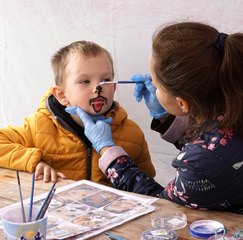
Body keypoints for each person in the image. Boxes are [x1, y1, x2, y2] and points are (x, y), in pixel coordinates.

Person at [72, 22, 243, 214]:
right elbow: (214, 145)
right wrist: (165, 118)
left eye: (157, 85)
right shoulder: (232, 108)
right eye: (84, 81)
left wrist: (107, 150)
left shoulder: (204, 162)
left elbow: (162, 207)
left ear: (182, 103)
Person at [0, 40, 155, 184]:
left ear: (114, 87)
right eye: (85, 81)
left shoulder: (132, 133)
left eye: (106, 80)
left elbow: (146, 186)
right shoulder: (39, 126)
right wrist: (33, 161)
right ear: (61, 95)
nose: (98, 88)